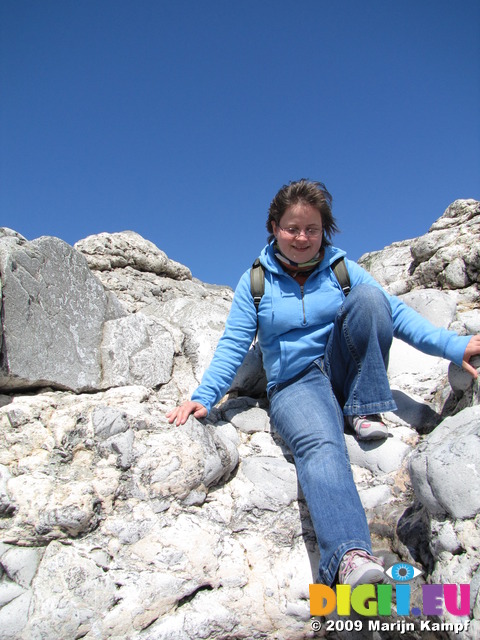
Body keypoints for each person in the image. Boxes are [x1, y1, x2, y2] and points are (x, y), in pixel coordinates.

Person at [167, 179, 480, 588]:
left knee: (370, 300)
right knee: (320, 443)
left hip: (342, 368)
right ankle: (350, 558)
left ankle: (364, 405)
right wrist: (203, 397)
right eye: (292, 228)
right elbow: (233, 343)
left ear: (324, 231)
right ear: (275, 227)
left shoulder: (342, 268)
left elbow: (395, 315)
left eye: (311, 229)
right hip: (295, 384)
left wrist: (455, 347)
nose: (302, 237)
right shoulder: (256, 281)